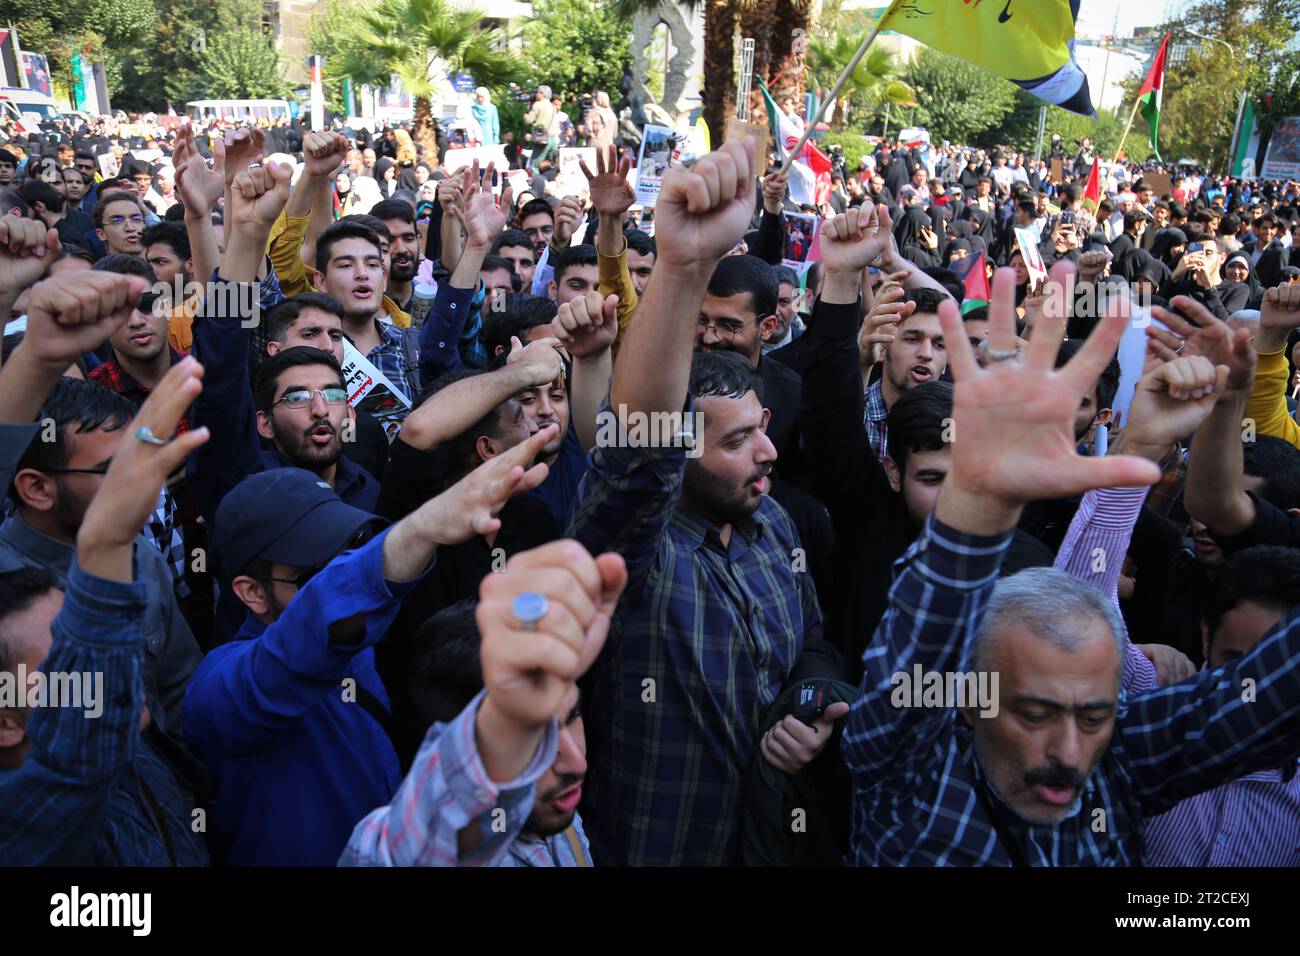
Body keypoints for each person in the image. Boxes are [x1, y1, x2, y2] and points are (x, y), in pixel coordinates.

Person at [844, 262, 1300, 865]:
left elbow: (1273, 688)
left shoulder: (1115, 763)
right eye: (1034, 711)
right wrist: (977, 503)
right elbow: (921, 639)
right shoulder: (906, 770)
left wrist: (1155, 439)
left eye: (1094, 714)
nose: (1067, 750)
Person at [567, 138, 843, 865]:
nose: (769, 454)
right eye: (737, 442)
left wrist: (812, 705)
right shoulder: (635, 553)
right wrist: (684, 268)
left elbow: (814, 642)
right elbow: (635, 457)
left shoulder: (773, 521)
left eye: (763, 431)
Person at [0, 353, 213, 866]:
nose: (141, 483)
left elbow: (178, 687)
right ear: (35, 487)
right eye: (110, 470)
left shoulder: (141, 555)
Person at [342, 539, 626, 866]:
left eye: (572, 717)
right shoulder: (425, 847)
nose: (575, 762)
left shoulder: (556, 814)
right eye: (531, 736)